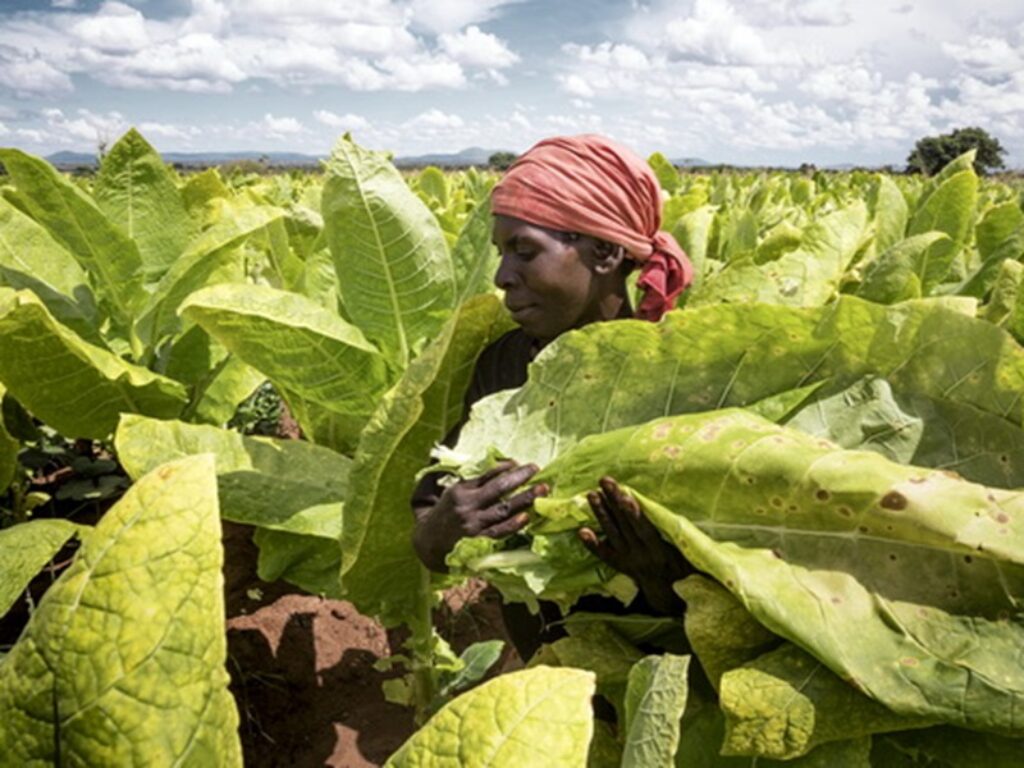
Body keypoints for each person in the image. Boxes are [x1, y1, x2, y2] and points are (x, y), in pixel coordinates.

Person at [411, 134, 695, 660]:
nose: (501, 277)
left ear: (605, 252)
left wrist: (663, 577)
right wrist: (445, 526)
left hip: (659, 679)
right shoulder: (502, 364)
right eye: (500, 253)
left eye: (524, 251)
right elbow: (431, 531)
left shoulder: (681, 379)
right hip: (544, 665)